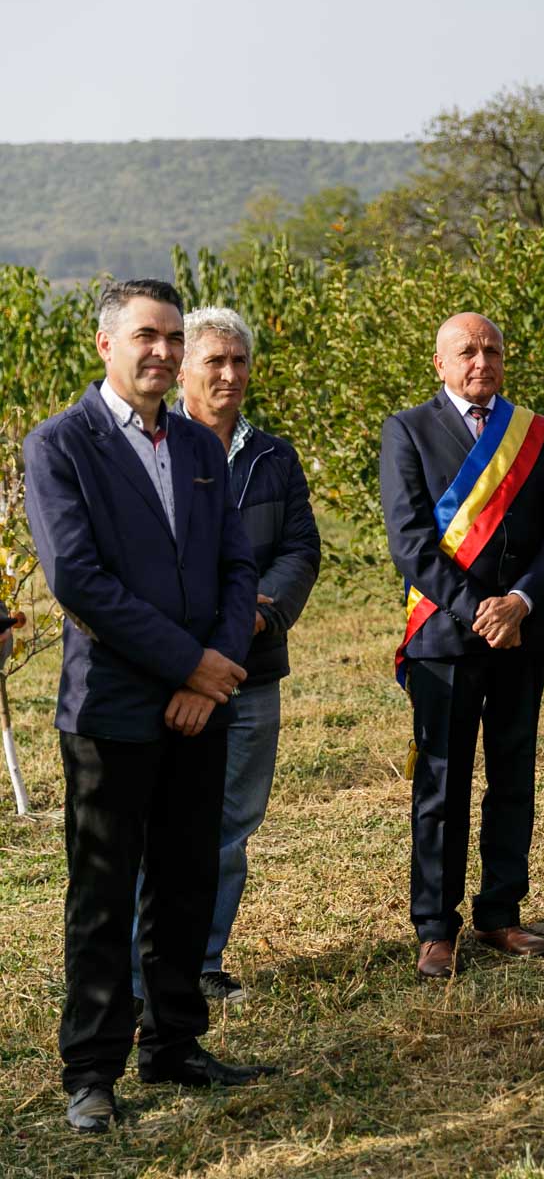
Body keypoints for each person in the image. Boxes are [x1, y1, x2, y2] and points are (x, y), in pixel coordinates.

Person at [23, 279, 272, 1133]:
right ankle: (92, 1071)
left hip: (202, 706)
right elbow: (78, 579)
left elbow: (237, 566)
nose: (162, 352)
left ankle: (175, 1043)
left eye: (172, 337)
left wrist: (217, 671)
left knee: (185, 877)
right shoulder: (61, 445)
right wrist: (188, 666)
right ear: (106, 344)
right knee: (103, 895)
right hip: (114, 710)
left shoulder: (200, 445)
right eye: (146, 336)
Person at [130, 308, 321, 1007]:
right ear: (182, 370)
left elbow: (300, 549)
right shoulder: (149, 451)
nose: (230, 374)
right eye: (214, 361)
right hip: (168, 671)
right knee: (157, 826)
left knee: (232, 824)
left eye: (239, 361)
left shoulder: (274, 457)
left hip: (251, 669)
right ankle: (140, 972)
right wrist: (194, 648)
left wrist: (255, 620)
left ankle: (202, 960)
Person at [380, 313, 544, 978]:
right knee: (442, 783)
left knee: (513, 775)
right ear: (439, 363)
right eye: (466, 351)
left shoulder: (534, 432)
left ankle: (501, 912)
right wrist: (478, 611)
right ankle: (436, 927)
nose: (481, 361)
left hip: (523, 630)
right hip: (445, 635)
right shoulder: (408, 429)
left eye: (492, 349)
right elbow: (410, 542)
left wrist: (519, 602)